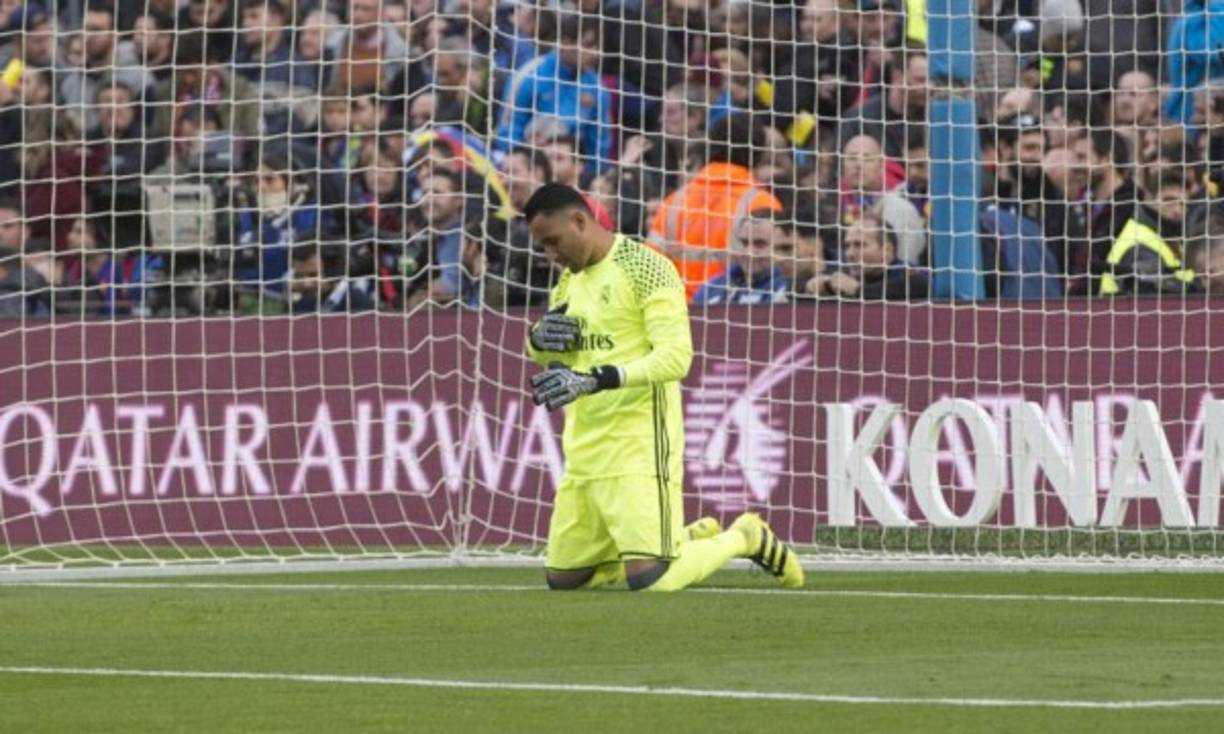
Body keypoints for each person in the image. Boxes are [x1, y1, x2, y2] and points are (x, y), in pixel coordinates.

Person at [522, 182, 803, 592]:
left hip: (638, 444)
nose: (551, 255)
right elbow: (555, 355)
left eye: (553, 242)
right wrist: (537, 339)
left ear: (579, 222)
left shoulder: (647, 268)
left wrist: (597, 378)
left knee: (654, 580)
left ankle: (743, 537)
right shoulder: (568, 283)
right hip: (584, 451)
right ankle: (681, 540)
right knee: (564, 580)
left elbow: (676, 358)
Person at [647, 113, 782, 300]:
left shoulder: (673, 202)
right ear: (758, 152)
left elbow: (649, 271)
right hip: (731, 314)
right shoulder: (762, 203)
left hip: (678, 316)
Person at [692, 210, 792, 305]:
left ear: (780, 246)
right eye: (744, 243)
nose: (748, 252)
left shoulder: (788, 290)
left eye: (760, 243)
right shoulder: (711, 287)